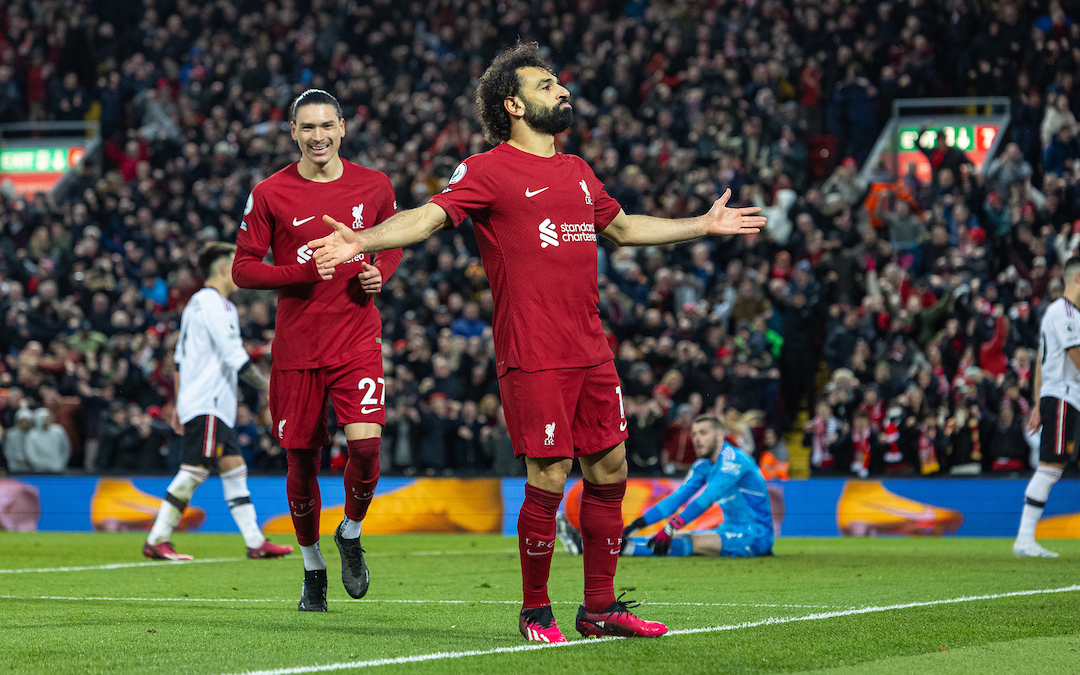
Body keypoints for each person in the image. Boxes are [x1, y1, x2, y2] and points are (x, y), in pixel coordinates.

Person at [307, 43, 764, 642]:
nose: (561, 90)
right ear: (514, 104)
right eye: (547, 85)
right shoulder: (486, 169)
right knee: (549, 476)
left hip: (591, 349)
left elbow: (624, 229)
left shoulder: (578, 171)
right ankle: (535, 610)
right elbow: (427, 216)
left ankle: (599, 608)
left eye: (558, 82)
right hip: (534, 352)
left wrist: (701, 224)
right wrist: (361, 241)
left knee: (611, 468)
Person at [232, 89, 402, 612]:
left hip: (355, 338)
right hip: (298, 348)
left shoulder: (374, 186)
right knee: (301, 463)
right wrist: (301, 272)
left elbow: (391, 241)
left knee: (367, 448)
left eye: (327, 125)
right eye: (307, 128)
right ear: (293, 134)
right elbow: (243, 268)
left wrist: (380, 272)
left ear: (343, 128)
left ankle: (349, 531)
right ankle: (312, 569)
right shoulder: (270, 193)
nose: (318, 136)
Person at [144, 243, 293, 563]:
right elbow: (234, 357)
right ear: (225, 268)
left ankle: (255, 541)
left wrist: (180, 404)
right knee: (194, 471)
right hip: (210, 402)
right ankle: (157, 538)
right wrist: (269, 388)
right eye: (238, 265)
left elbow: (180, 361)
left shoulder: (197, 304)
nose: (242, 272)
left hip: (205, 403)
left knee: (235, 470)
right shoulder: (215, 304)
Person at [560, 415, 774, 559]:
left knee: (691, 541)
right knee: (681, 538)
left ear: (719, 435)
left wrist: (671, 526)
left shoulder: (734, 460)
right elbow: (678, 498)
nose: (696, 439)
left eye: (703, 433)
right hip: (728, 528)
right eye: (694, 434)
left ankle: (605, 549)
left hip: (755, 534)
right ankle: (604, 544)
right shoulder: (702, 465)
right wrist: (636, 525)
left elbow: (707, 498)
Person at [1013, 257, 1080, 558]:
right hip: (1065, 397)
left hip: (1061, 397)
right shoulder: (1065, 312)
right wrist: (1043, 402)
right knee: (1050, 469)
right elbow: (1076, 356)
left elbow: (1041, 359)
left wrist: (1039, 403)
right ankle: (1024, 540)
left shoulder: (1062, 313)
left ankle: (1025, 540)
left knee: (1052, 469)